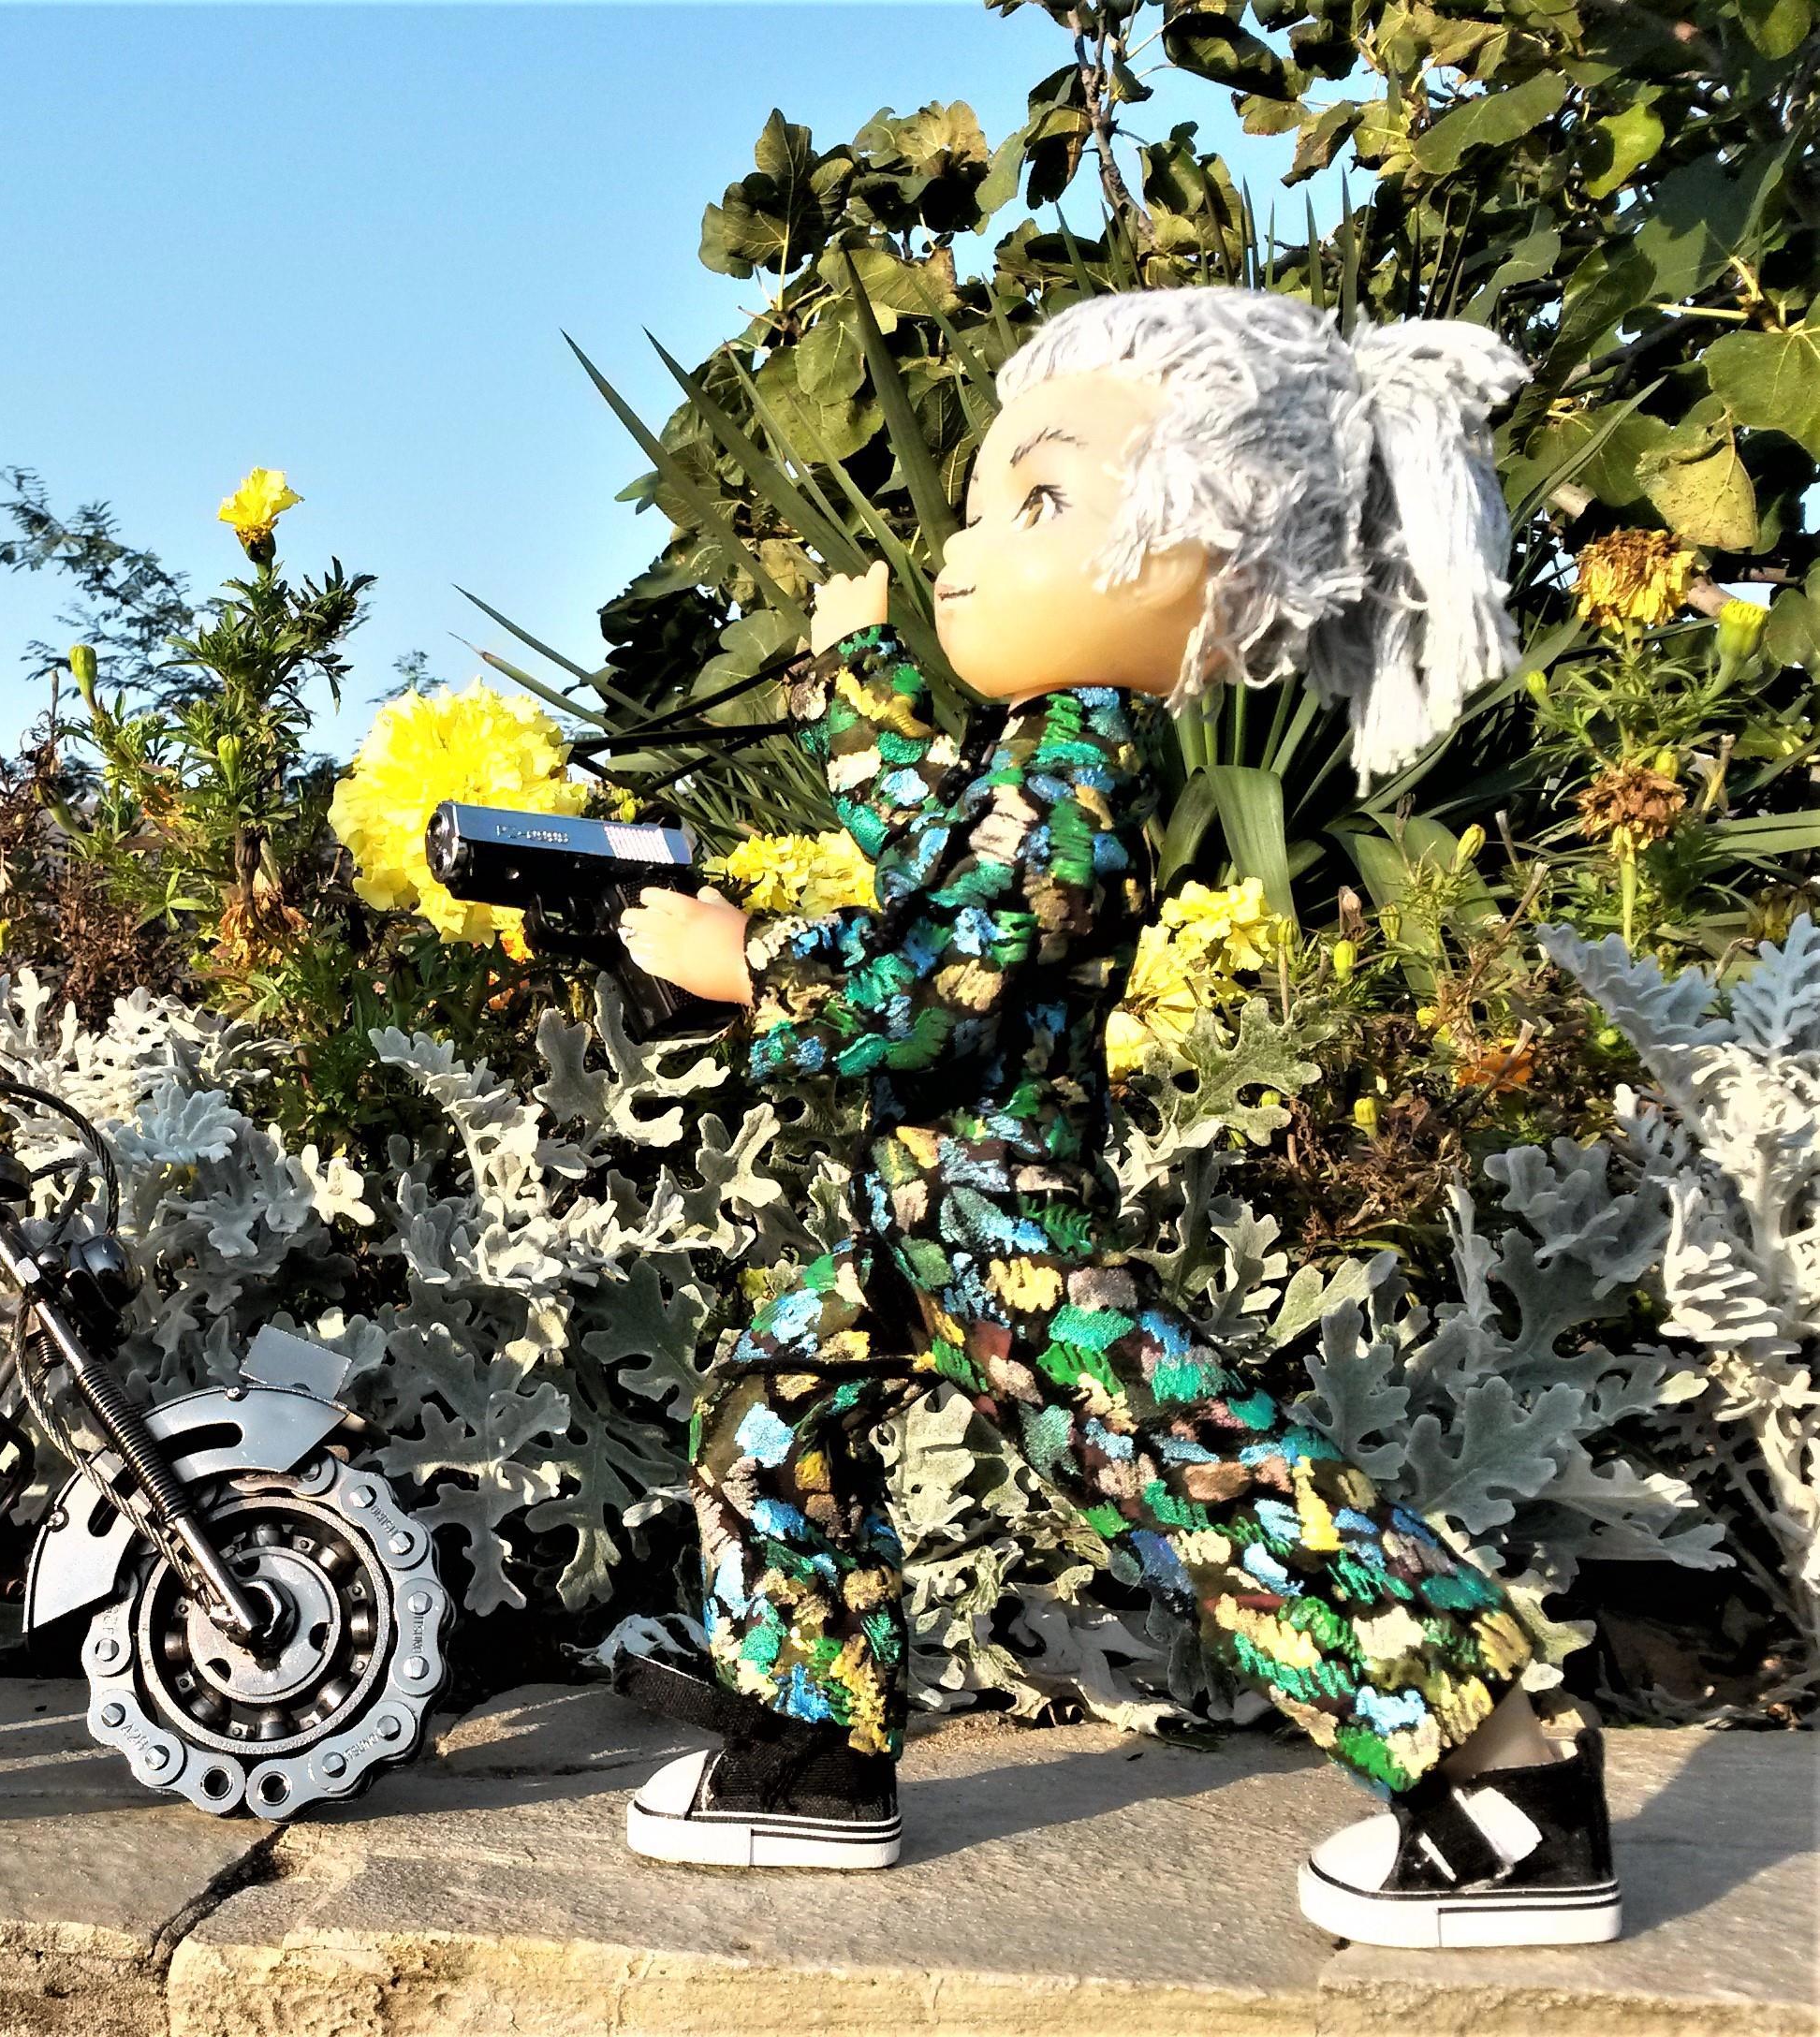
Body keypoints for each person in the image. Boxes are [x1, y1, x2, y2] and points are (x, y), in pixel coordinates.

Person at [613, 288, 1620, 1950]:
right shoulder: (1038, 751)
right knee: (773, 1411)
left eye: (1040, 499)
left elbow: (933, 981)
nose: (964, 543)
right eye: (980, 499)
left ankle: (1503, 1782)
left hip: (1007, 1233)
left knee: (1196, 1470)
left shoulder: (1084, 767)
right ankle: (805, 1752)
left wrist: (743, 964)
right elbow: (932, 839)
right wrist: (853, 673)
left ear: (1213, 566)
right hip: (924, 1229)